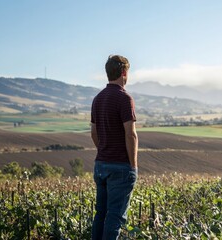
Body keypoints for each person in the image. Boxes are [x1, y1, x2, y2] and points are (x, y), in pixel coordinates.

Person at [91, 55, 138, 240]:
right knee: (115, 217)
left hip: (100, 165)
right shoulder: (124, 98)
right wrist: (133, 166)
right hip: (120, 167)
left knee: (100, 215)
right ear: (124, 72)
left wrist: (104, 149)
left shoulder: (98, 98)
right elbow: (131, 134)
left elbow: (93, 133)